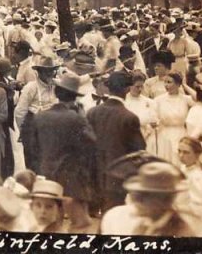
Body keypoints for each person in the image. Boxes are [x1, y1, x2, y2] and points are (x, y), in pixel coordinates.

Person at [27, 73, 99, 233]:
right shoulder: (76, 119)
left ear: (57, 94)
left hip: (47, 177)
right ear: (74, 97)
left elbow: (33, 149)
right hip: (72, 178)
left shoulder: (40, 117)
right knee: (80, 224)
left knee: (49, 225)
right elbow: (92, 144)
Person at [87, 71, 146, 211]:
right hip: (118, 177)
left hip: (95, 175)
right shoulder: (129, 117)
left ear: (108, 88)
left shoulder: (92, 112)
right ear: (127, 89)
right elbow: (139, 149)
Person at [100, 162, 201, 236]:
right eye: (138, 195)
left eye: (144, 197)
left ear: (163, 200)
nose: (137, 202)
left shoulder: (181, 232)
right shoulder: (143, 225)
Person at [14, 56, 59, 173]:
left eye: (52, 71)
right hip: (34, 132)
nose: (50, 74)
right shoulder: (31, 87)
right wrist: (25, 132)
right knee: (35, 165)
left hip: (52, 131)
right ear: (39, 72)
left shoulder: (57, 86)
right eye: (46, 71)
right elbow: (19, 112)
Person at [153, 72, 193, 165]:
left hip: (181, 135)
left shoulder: (185, 99)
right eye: (165, 82)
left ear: (178, 84)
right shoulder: (158, 100)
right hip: (164, 135)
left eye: (169, 82)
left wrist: (185, 85)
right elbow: (153, 117)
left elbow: (198, 99)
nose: (166, 85)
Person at [177, 136, 202, 219]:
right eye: (179, 151)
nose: (181, 155)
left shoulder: (198, 178)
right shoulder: (183, 168)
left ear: (197, 154)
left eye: (186, 152)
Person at [125, 70, 160, 154]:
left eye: (142, 86)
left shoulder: (149, 102)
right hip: (130, 141)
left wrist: (154, 124)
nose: (140, 89)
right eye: (137, 86)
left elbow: (155, 120)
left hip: (148, 139)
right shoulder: (124, 102)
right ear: (130, 86)